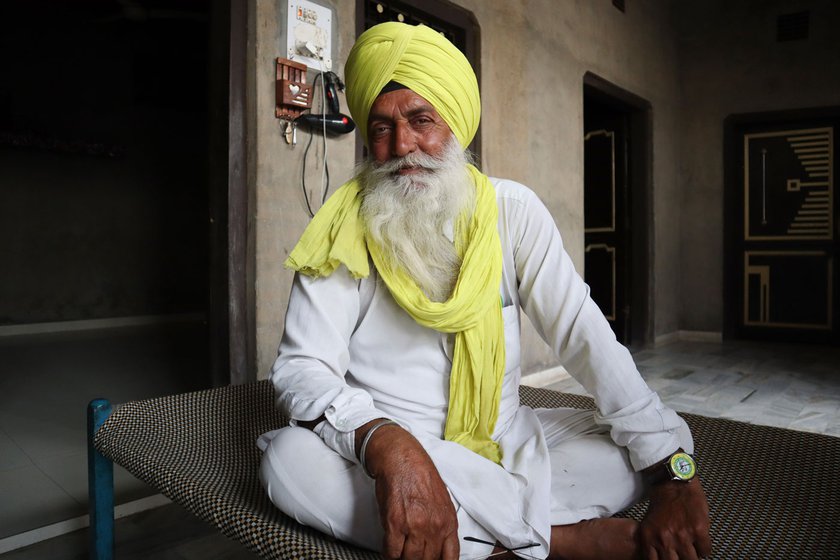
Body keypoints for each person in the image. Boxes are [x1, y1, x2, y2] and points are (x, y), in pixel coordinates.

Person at [259, 21, 711, 560]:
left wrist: (673, 475)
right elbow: (302, 369)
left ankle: (475, 534)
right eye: (380, 128)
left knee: (645, 438)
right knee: (287, 460)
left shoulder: (511, 211)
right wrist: (387, 443)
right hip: (387, 444)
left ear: (457, 122)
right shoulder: (341, 228)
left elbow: (585, 338)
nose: (402, 146)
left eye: (421, 120)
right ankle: (561, 540)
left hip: (504, 440)